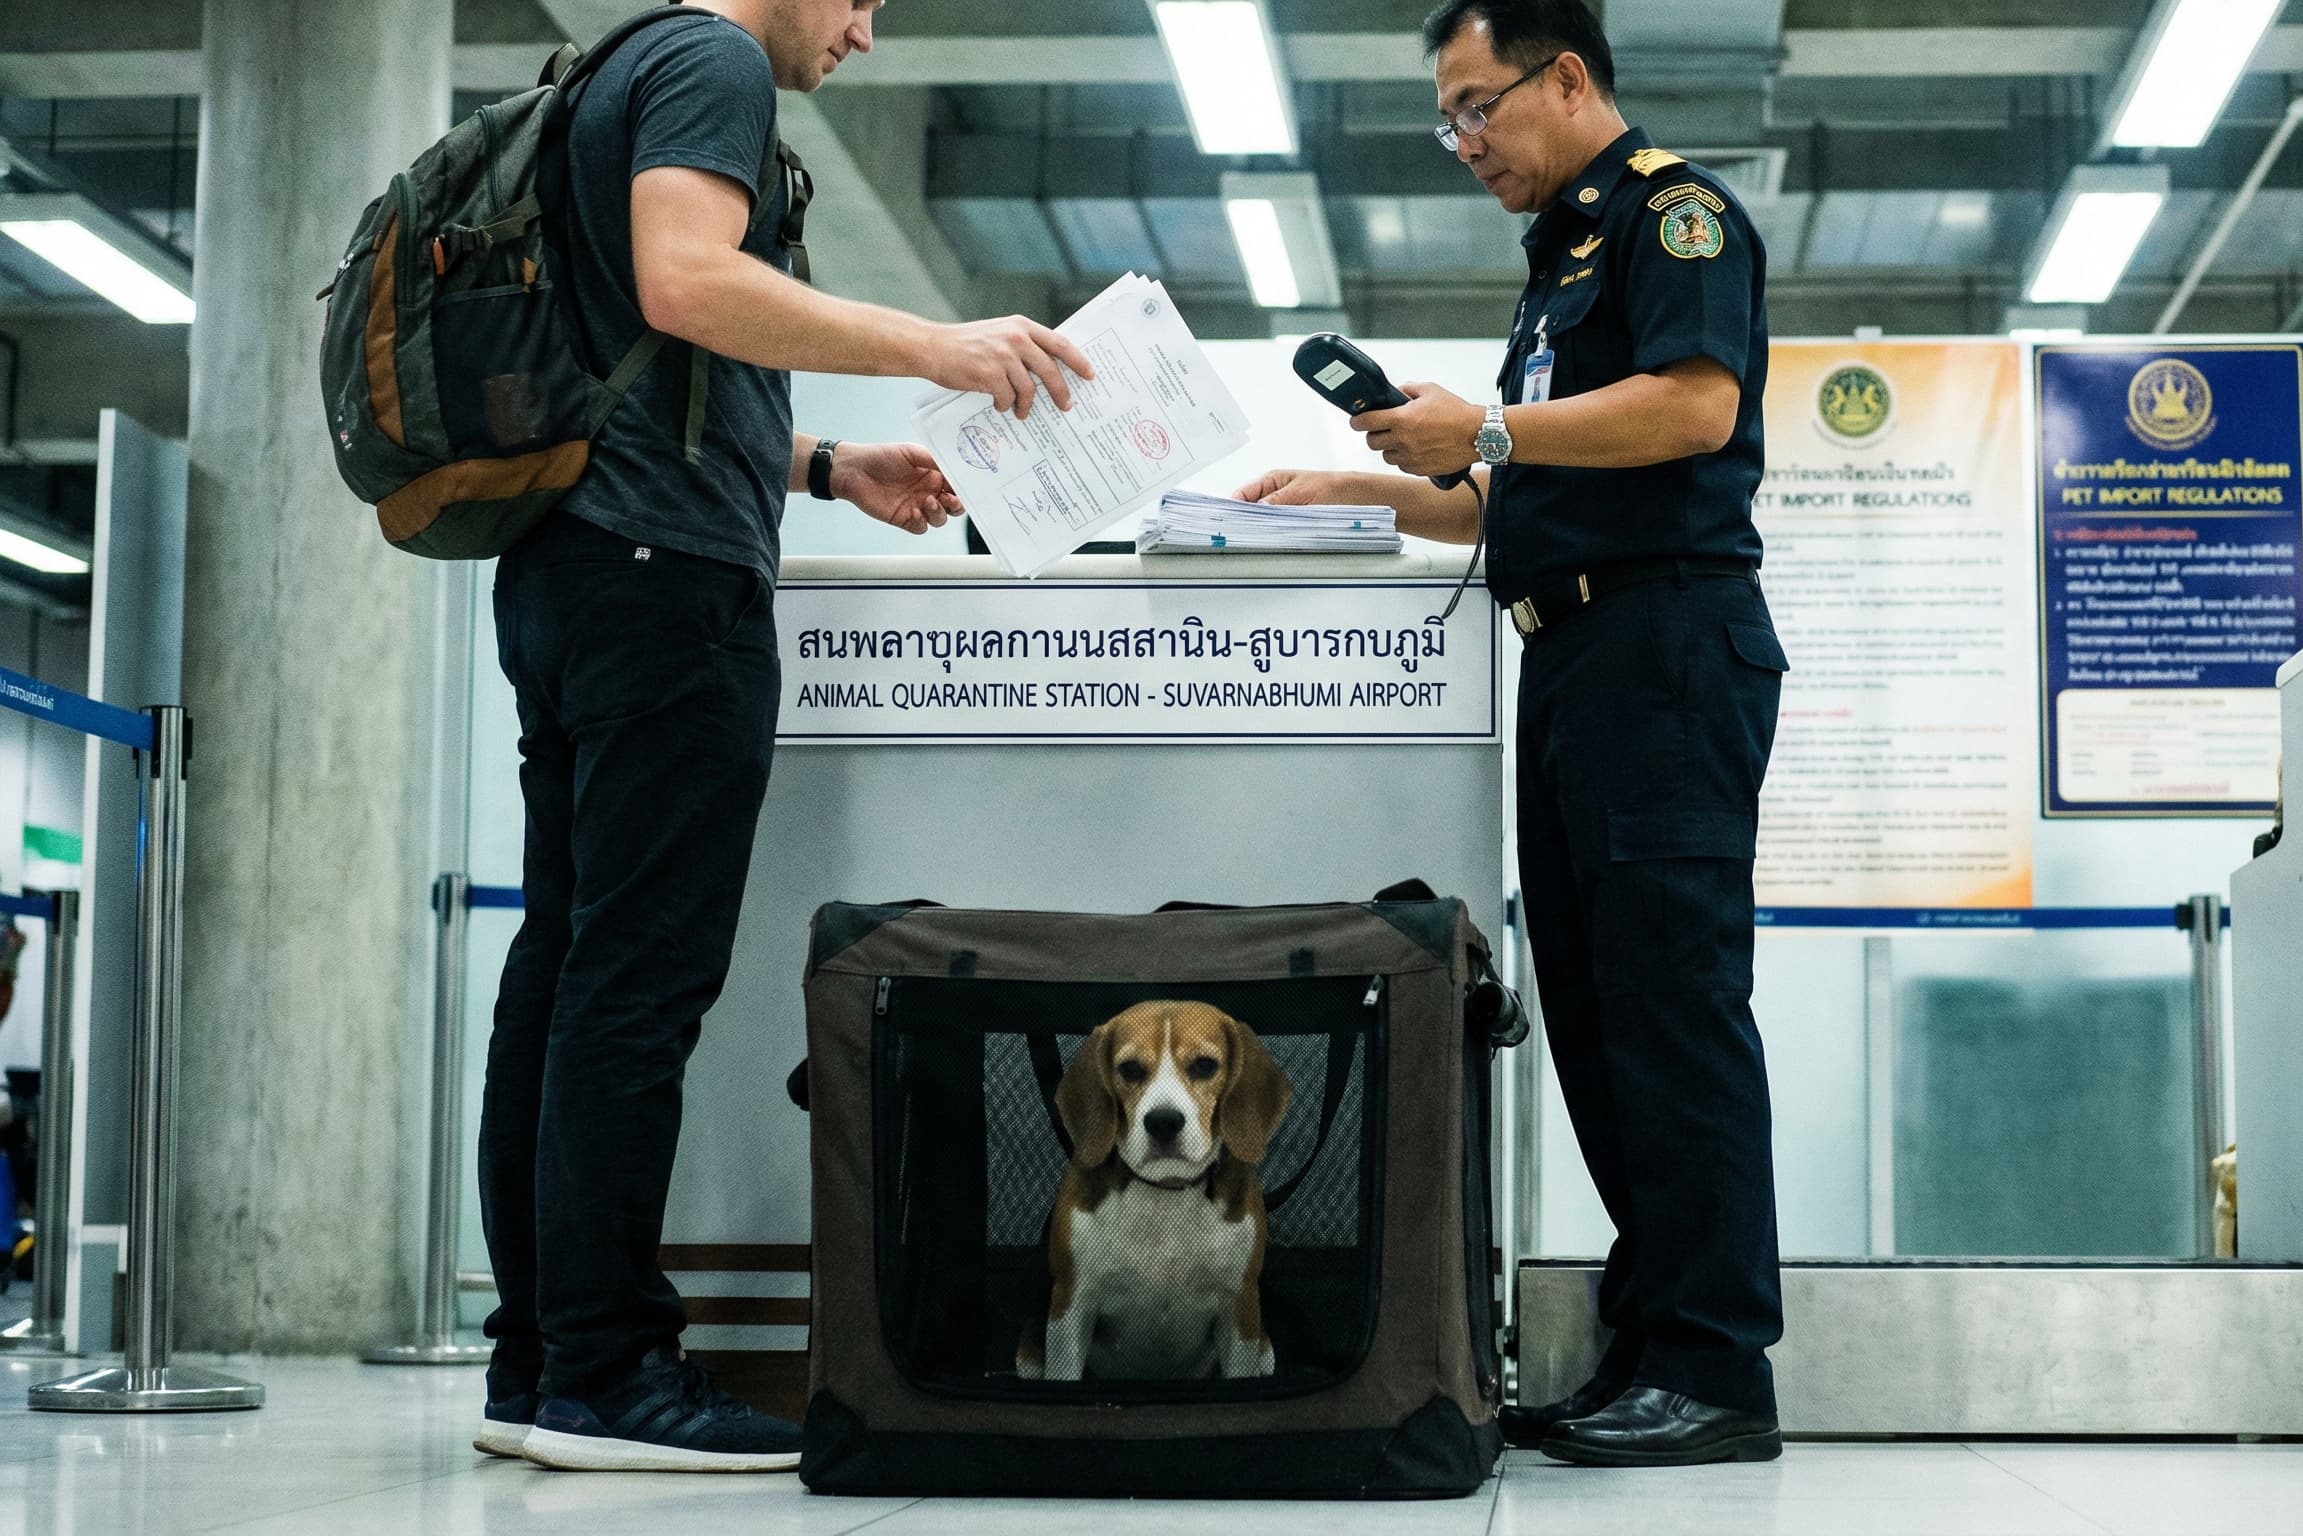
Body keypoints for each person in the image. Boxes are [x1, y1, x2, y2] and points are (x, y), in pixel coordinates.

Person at [479, 0, 1092, 1474]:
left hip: (572, 567)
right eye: (864, 0)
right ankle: (609, 1375)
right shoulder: (712, 62)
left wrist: (823, 463)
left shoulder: (613, 64)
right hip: (661, 588)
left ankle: (536, 1358)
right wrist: (929, 346)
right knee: (630, 986)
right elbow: (685, 282)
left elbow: (637, 342)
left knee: (563, 971)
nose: (869, 35)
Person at [1237, 0, 1789, 1469]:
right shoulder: (1561, 268)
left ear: (1565, 76)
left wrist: (1481, 430)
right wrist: (1353, 491)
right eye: (1448, 117)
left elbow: (1689, 412)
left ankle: (1722, 1367)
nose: (1464, 141)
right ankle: (1654, 1341)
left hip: (1667, 650)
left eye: (1479, 106)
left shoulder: (1678, 222)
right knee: (1601, 1027)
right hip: (1576, 656)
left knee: (1671, 1006)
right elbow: (1514, 494)